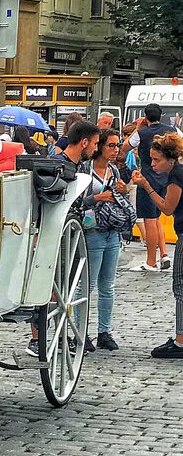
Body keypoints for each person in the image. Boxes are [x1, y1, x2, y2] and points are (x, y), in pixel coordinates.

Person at [28, 121, 101, 357]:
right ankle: (37, 338)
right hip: (56, 234)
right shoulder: (57, 165)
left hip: (72, 233)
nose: (96, 149)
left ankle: (60, 335)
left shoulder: (78, 166)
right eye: (95, 144)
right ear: (84, 142)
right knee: (49, 286)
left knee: (64, 288)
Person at [132, 132, 183, 358]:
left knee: (180, 285)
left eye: (156, 160)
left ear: (170, 159)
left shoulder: (177, 175)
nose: (152, 164)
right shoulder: (177, 171)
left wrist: (146, 185)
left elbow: (167, 208)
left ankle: (181, 341)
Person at [80, 128, 132, 352]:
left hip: (112, 231)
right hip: (92, 231)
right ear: (99, 146)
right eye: (111, 145)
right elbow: (78, 202)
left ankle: (104, 332)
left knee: (108, 286)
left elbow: (120, 199)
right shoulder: (85, 169)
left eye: (117, 145)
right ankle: (80, 331)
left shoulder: (114, 170)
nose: (116, 149)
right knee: (87, 285)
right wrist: (98, 197)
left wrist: (124, 191)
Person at [123, 103, 177, 272]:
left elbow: (124, 148)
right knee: (157, 219)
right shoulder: (172, 131)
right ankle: (164, 254)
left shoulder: (142, 133)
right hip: (167, 179)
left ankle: (151, 261)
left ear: (145, 117)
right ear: (161, 115)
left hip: (148, 179)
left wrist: (137, 128)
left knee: (149, 220)